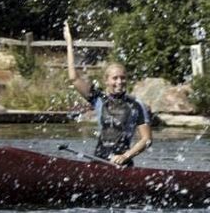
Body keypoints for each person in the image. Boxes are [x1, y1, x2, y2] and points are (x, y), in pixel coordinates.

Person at [64, 21, 152, 166]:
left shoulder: (136, 105)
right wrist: (69, 44)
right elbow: (73, 78)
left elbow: (146, 140)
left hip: (122, 165)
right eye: (115, 78)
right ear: (106, 81)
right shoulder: (97, 98)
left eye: (123, 78)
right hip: (98, 161)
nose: (119, 82)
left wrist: (125, 156)